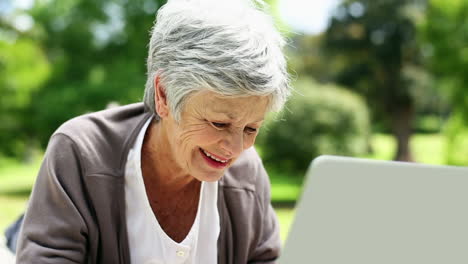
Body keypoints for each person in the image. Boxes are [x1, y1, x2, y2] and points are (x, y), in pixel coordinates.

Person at [15, 0, 290, 263]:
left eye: (251, 128)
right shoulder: (80, 153)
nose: (234, 147)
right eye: (219, 123)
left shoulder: (247, 174)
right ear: (164, 95)